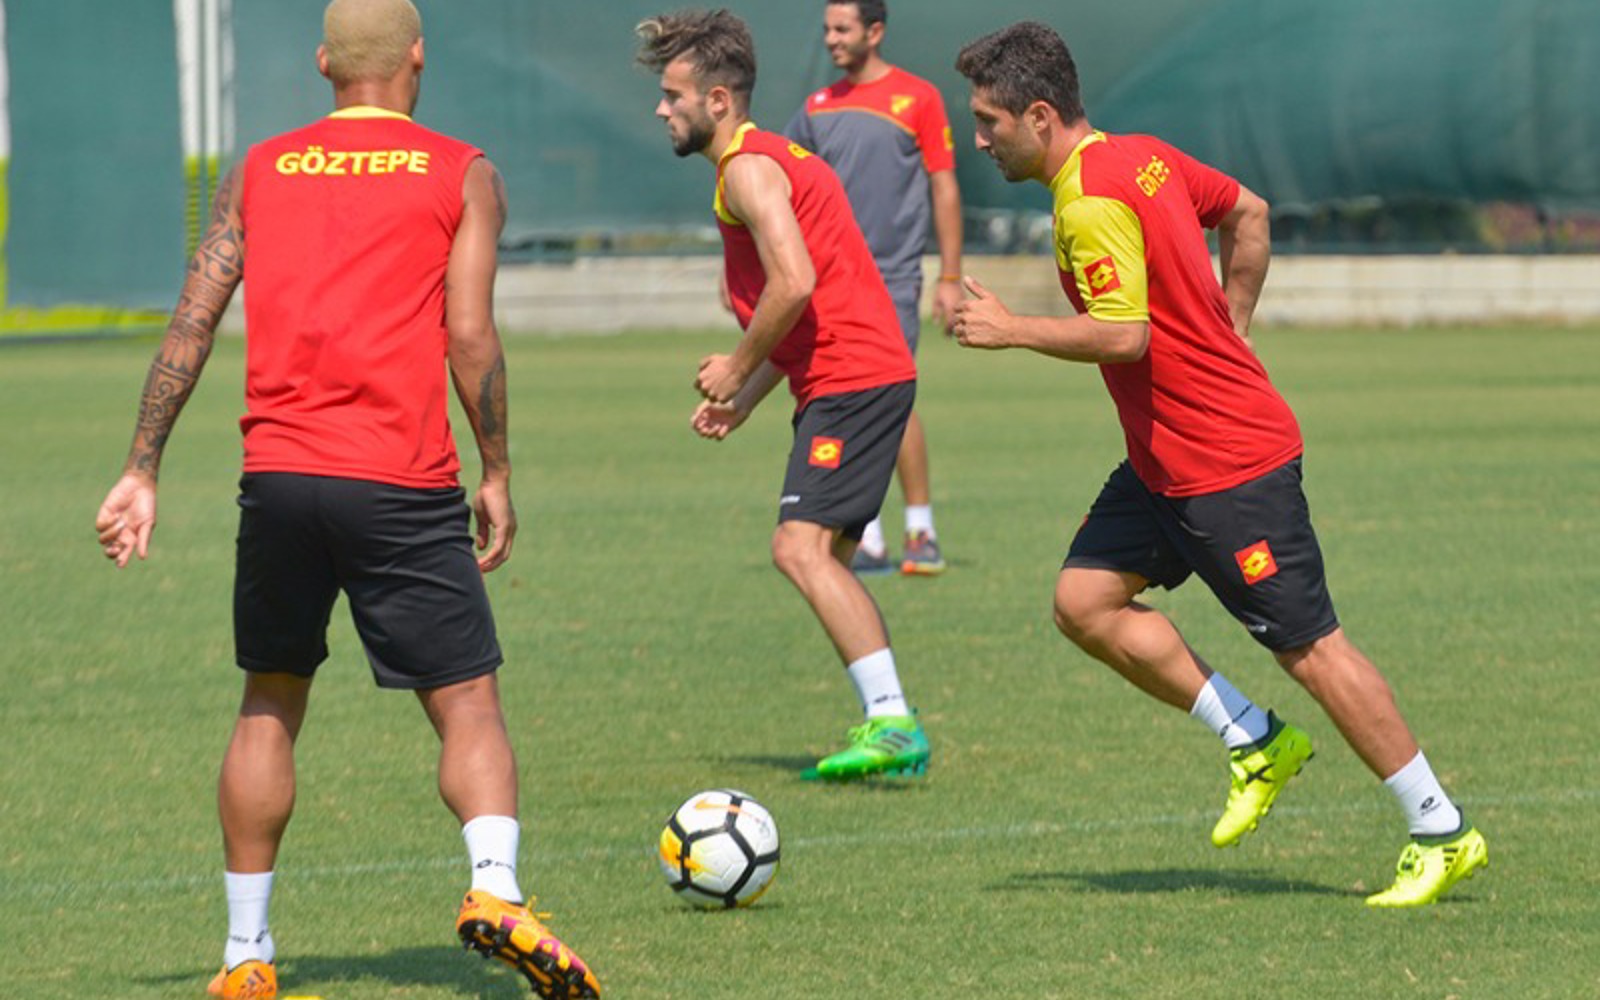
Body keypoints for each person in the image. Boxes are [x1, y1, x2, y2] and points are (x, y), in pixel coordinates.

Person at [93, 2, 601, 996]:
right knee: (467, 702)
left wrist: (142, 465)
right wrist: (496, 469)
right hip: (399, 479)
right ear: (419, 58)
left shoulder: (260, 168)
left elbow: (192, 320)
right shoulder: (462, 171)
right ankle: (495, 888)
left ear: (324, 62)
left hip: (278, 480)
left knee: (269, 701)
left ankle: (246, 956)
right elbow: (469, 335)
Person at [949, 21, 1487, 907]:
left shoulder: (1088, 203)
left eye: (988, 121)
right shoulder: (1142, 157)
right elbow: (1250, 213)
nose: (979, 139)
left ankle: (1441, 828)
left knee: (1312, 650)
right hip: (1164, 461)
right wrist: (1230, 330)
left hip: (1226, 467)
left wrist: (1012, 329)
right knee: (1084, 601)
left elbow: (1125, 334)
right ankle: (1255, 740)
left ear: (1039, 116)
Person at [634, 8, 930, 781]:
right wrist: (748, 397)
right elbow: (809, 306)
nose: (662, 110)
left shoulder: (748, 169)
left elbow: (795, 283)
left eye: (673, 96)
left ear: (719, 100)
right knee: (825, 556)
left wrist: (736, 368)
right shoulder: (768, 159)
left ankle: (894, 723)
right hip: (854, 376)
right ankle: (888, 719)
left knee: (797, 548)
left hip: (854, 380)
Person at [785, 0, 962, 576]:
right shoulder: (816, 108)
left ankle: (921, 529)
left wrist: (950, 277)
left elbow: (944, 187)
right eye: (826, 29)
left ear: (875, 31)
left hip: (892, 277)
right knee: (839, 397)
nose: (831, 39)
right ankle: (868, 536)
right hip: (828, 285)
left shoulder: (919, 97)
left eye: (842, 29)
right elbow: (778, 188)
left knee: (890, 397)